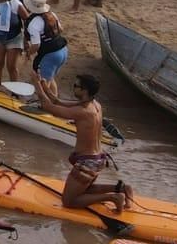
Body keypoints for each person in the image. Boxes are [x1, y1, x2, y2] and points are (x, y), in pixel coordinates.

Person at [33, 72, 134, 213]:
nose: (73, 88)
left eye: (76, 86)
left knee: (68, 201)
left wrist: (36, 84)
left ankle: (113, 197)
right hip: (98, 158)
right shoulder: (95, 105)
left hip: (88, 163)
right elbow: (57, 102)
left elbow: (49, 107)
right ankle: (122, 188)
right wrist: (45, 87)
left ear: (84, 90)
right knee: (84, 189)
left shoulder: (83, 111)